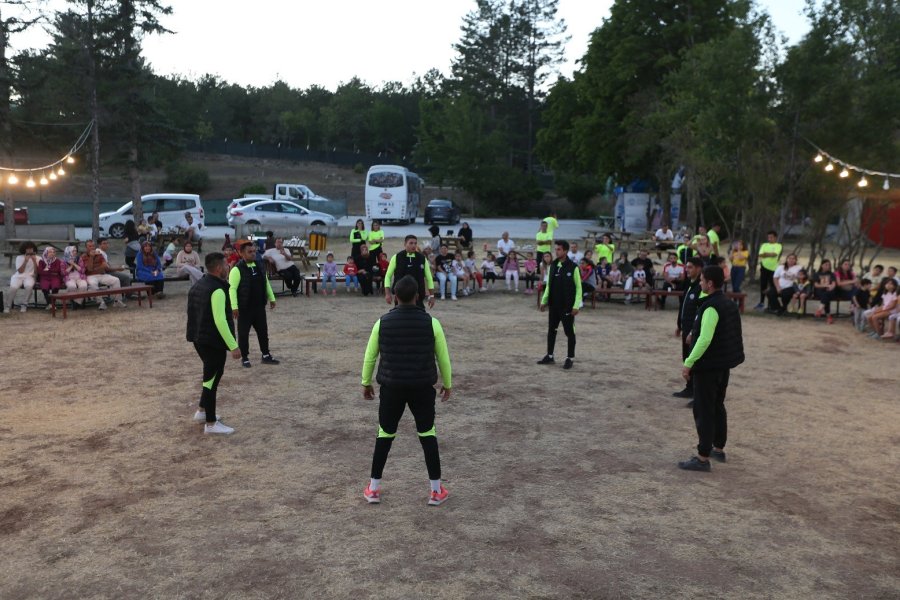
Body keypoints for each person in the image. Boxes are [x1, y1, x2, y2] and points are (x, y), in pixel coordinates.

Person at [361, 274, 452, 506]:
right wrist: (447, 384)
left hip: (392, 387)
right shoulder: (432, 323)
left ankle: (373, 489)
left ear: (395, 297)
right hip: (422, 387)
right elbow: (443, 358)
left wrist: (366, 382)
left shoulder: (382, 322)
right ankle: (435, 491)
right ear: (418, 297)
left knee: (385, 434)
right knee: (427, 435)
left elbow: (370, 356)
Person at [678, 265, 744, 472]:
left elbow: (705, 339)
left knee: (704, 409)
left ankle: (702, 457)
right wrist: (693, 333)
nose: (700, 283)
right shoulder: (728, 303)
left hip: (708, 366)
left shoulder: (711, 306)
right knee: (717, 405)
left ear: (710, 284)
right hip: (723, 365)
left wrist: (688, 363)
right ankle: (718, 448)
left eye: (702, 280)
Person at [186, 252, 242, 435]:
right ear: (219, 268)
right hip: (211, 343)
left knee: (212, 377)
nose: (228, 267)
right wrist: (233, 345)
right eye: (226, 265)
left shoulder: (199, 284)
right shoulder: (217, 289)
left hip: (199, 339)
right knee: (210, 381)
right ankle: (210, 424)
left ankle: (202, 412)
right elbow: (220, 321)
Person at [229, 239, 279, 368]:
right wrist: (234, 307)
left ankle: (266, 355)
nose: (253, 254)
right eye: (249, 252)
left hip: (259, 307)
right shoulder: (236, 270)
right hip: (244, 309)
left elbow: (266, 282)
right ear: (241, 253)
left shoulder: (260, 265)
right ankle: (245, 357)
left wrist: (271, 297)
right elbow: (232, 289)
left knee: (263, 332)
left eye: (254, 251)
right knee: (243, 334)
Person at [537, 240, 582, 370]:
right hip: (554, 306)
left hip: (567, 307)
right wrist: (544, 301)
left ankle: (570, 358)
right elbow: (549, 286)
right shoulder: (553, 266)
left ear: (566, 251)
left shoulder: (573, 267)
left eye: (559, 249)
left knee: (569, 332)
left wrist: (576, 306)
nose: (556, 251)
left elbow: (579, 288)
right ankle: (550, 356)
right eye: (555, 249)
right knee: (551, 331)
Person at [673, 257, 705, 401]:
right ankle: (689, 387)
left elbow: (700, 312)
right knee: (686, 358)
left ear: (699, 268)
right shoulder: (690, 285)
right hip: (686, 329)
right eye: (687, 267)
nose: (687, 269)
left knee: (695, 361)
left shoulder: (701, 287)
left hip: (695, 332)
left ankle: (698, 393)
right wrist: (679, 325)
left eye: (690, 267)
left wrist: (693, 331)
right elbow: (684, 306)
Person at [384, 234, 436, 310]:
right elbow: (388, 276)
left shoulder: (422, 258)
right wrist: (387, 293)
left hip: (418, 296)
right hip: (400, 297)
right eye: (411, 243)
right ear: (405, 244)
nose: (414, 245)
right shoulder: (397, 257)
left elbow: (429, 278)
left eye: (415, 243)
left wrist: (431, 296)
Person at [82, 240, 125, 310]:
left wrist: (97, 268)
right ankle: (101, 302)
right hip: (90, 276)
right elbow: (89, 269)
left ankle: (117, 301)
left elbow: (105, 266)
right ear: (86, 247)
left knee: (116, 280)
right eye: (90, 246)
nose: (92, 247)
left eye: (93, 246)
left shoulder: (99, 254)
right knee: (92, 284)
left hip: (102, 274)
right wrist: (92, 257)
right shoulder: (84, 256)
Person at [5, 241, 38, 313]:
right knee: (13, 287)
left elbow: (36, 272)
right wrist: (25, 261)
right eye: (27, 248)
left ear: (33, 249)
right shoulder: (19, 257)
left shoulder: (38, 258)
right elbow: (20, 271)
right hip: (18, 276)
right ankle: (8, 306)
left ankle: (24, 305)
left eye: (31, 248)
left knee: (29, 287)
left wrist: (34, 261)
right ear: (24, 249)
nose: (29, 250)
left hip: (30, 276)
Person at [756, 230, 782, 310]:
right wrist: (769, 254)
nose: (769, 239)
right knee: (763, 285)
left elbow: (775, 254)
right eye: (768, 237)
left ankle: (771, 304)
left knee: (772, 286)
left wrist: (766, 254)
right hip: (764, 267)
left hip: (773, 269)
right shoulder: (764, 245)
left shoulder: (778, 245)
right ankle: (761, 302)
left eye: (771, 237)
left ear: (775, 237)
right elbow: (760, 254)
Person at [63, 244, 88, 309]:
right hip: (69, 278)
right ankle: (75, 302)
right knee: (72, 286)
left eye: (76, 251)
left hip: (80, 277)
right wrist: (71, 266)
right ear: (68, 251)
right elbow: (63, 273)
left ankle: (76, 302)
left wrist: (74, 264)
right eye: (73, 251)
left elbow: (82, 270)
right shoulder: (63, 260)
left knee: (84, 285)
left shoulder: (79, 259)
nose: (75, 252)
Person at [812, 259, 837, 323]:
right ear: (821, 265)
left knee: (827, 294)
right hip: (819, 291)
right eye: (826, 265)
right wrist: (825, 286)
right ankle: (828, 316)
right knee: (826, 296)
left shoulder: (831, 274)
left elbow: (834, 284)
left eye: (829, 265)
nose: (828, 266)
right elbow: (816, 285)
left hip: (830, 291)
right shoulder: (817, 274)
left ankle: (819, 310)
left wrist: (831, 287)